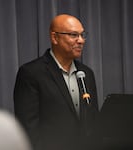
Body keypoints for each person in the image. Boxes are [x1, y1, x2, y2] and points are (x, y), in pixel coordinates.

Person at [14, 14, 98, 150]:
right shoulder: (31, 73)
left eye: (82, 35)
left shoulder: (86, 73)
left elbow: (92, 120)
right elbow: (28, 129)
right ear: (55, 38)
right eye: (73, 35)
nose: (81, 41)